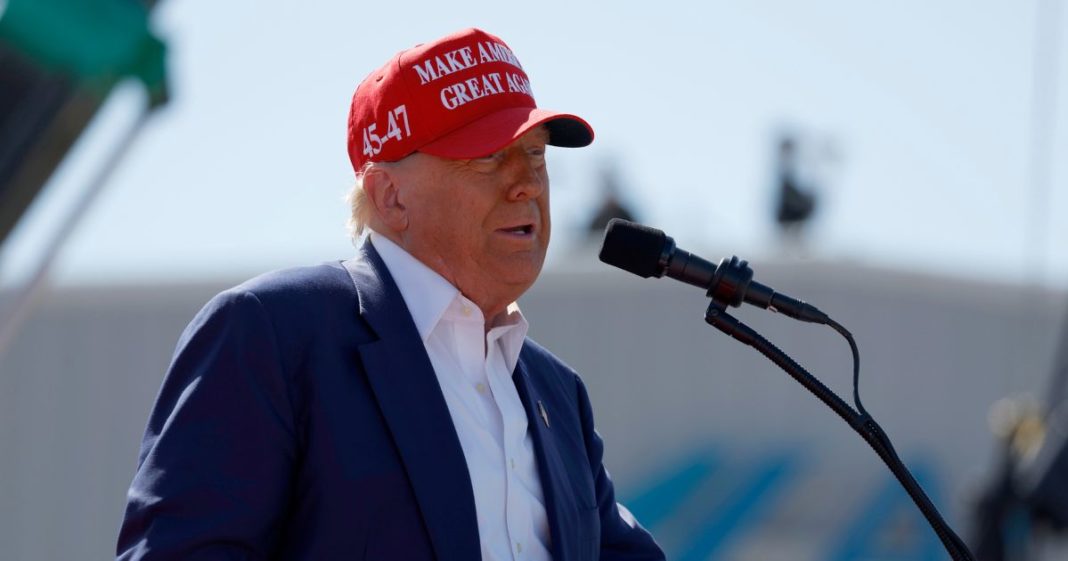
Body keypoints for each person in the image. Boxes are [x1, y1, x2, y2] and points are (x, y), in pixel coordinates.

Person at [116, 27, 665, 561]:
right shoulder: (271, 333)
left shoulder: (557, 393)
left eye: (537, 155)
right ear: (390, 196)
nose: (526, 183)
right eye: (488, 156)